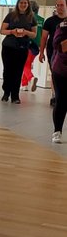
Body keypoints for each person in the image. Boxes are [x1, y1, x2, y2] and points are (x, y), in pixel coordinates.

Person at [0, 0, 36, 103]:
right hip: (9, 46)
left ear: (28, 5)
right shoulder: (11, 15)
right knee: (7, 70)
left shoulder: (31, 17)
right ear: (18, 4)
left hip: (22, 47)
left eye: (25, 3)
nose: (23, 5)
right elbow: (2, 30)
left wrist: (26, 32)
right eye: (21, 3)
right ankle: (6, 92)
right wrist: (12, 31)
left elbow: (34, 34)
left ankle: (15, 95)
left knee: (18, 71)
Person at [38, 0, 67, 106]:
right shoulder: (50, 21)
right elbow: (44, 38)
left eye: (62, 5)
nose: (59, 7)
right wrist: (41, 52)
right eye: (57, 5)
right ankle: (55, 95)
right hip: (53, 52)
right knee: (55, 72)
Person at [48, 9, 67, 143]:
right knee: (61, 100)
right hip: (62, 69)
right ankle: (57, 131)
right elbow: (59, 46)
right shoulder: (62, 26)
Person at [20, 0, 43, 91]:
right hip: (37, 46)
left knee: (24, 64)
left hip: (28, 44)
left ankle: (31, 78)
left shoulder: (27, 18)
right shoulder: (41, 19)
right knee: (27, 63)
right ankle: (24, 85)